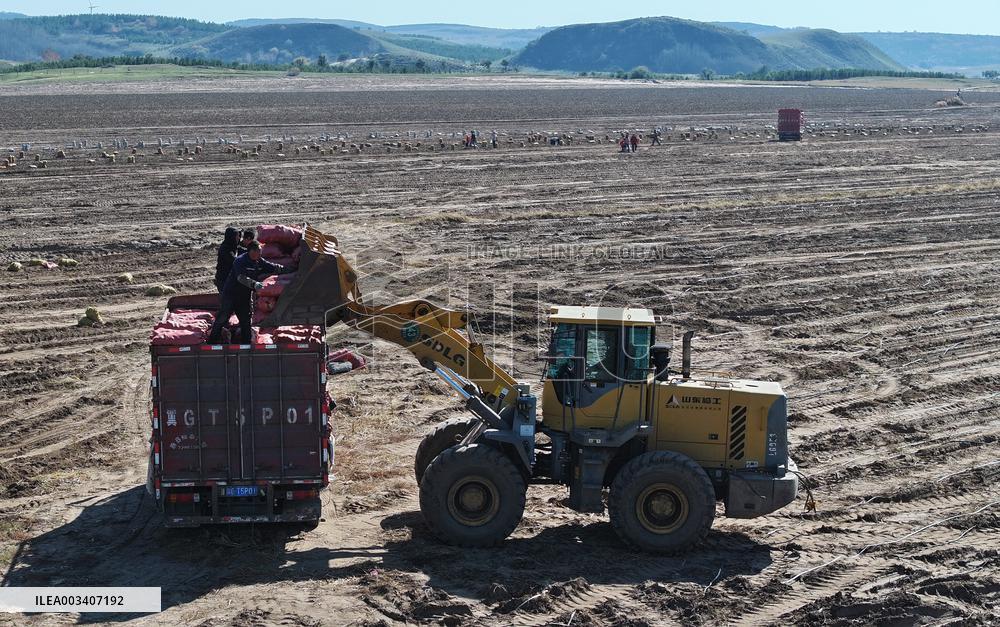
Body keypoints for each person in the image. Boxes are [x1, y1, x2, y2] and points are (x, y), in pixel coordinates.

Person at [207, 240, 292, 344]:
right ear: (252, 251)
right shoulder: (240, 261)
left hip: (244, 297)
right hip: (231, 295)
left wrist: (290, 270)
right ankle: (211, 341)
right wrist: (254, 284)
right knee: (222, 318)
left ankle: (246, 345)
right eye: (259, 251)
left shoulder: (258, 261)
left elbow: (272, 267)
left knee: (246, 321)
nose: (261, 254)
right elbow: (241, 278)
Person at [214, 227, 240, 292]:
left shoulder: (234, 247)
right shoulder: (225, 249)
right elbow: (233, 260)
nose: (239, 238)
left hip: (230, 279)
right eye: (237, 236)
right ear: (232, 237)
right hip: (223, 280)